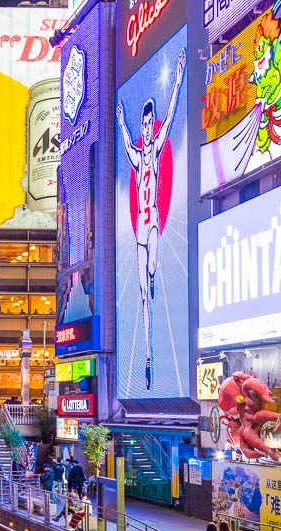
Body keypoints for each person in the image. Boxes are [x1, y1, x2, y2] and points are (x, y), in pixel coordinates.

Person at [116, 47, 187, 390]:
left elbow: (172, 115)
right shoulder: (136, 153)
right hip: (140, 231)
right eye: (143, 123)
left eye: (148, 122)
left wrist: (177, 80)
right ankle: (147, 357)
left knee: (154, 268)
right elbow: (127, 141)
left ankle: (155, 276)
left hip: (153, 221)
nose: (146, 127)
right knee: (143, 295)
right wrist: (119, 121)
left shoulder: (156, 148)